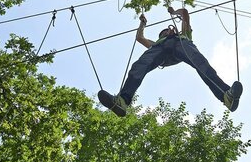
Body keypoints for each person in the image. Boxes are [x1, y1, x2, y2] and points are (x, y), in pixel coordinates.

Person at [98, 6, 243, 116]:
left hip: (181, 45)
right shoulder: (156, 43)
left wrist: (174, 13)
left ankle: (226, 95)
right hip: (161, 51)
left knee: (201, 64)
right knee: (139, 65)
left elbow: (185, 13)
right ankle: (122, 100)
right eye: (163, 32)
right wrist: (142, 24)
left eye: (167, 31)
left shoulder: (184, 34)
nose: (166, 32)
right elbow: (140, 38)